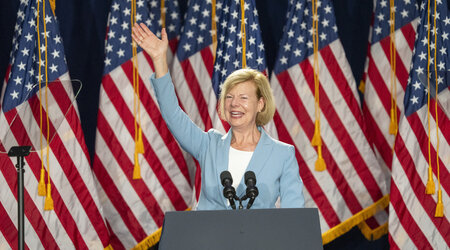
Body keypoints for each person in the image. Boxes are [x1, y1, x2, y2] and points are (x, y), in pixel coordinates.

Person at [132, 23, 304, 210]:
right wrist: (159, 60)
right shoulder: (208, 145)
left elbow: (293, 216)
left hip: (260, 239)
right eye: (229, 97)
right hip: (208, 238)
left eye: (243, 98)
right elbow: (173, 114)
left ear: (260, 104)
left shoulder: (282, 154)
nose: (234, 104)